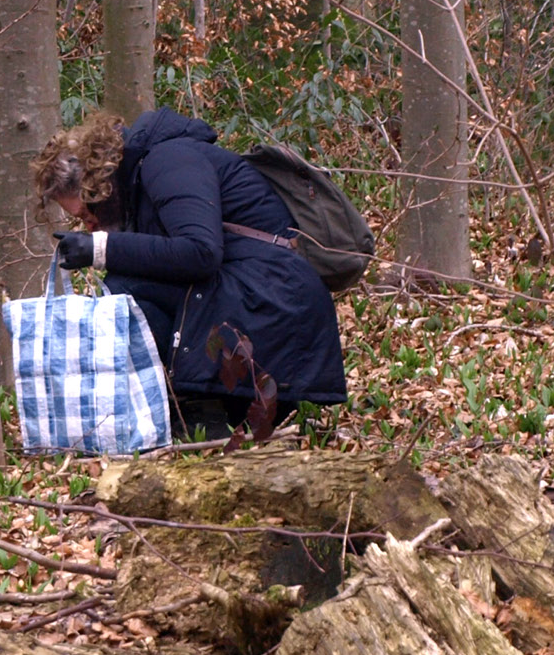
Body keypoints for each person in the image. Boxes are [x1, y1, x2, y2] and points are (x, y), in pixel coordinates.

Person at [31, 108, 347, 436]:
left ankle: (201, 406)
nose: (90, 223)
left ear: (99, 181)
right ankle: (203, 405)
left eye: (88, 210)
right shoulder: (142, 179)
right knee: (127, 282)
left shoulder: (168, 161)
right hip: (262, 302)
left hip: (278, 300)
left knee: (127, 289)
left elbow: (201, 253)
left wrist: (103, 248)